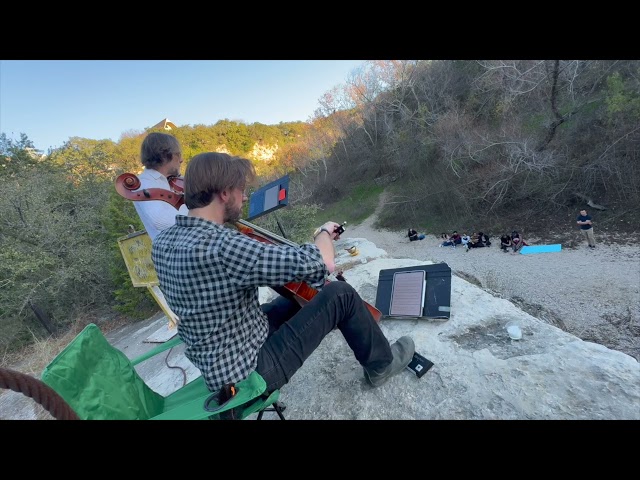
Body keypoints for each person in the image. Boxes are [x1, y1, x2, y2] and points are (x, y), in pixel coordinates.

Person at [152, 152, 415, 395]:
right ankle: (381, 366)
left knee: (293, 300)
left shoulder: (163, 243)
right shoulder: (223, 245)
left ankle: (357, 335)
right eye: (241, 191)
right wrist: (323, 233)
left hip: (218, 357)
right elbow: (322, 263)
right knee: (341, 294)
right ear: (223, 193)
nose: (244, 198)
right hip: (250, 372)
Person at [133, 132, 189, 241]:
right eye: (178, 154)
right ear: (165, 155)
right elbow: (162, 221)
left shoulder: (172, 180)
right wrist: (200, 210)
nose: (181, 160)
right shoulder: (144, 184)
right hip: (176, 252)